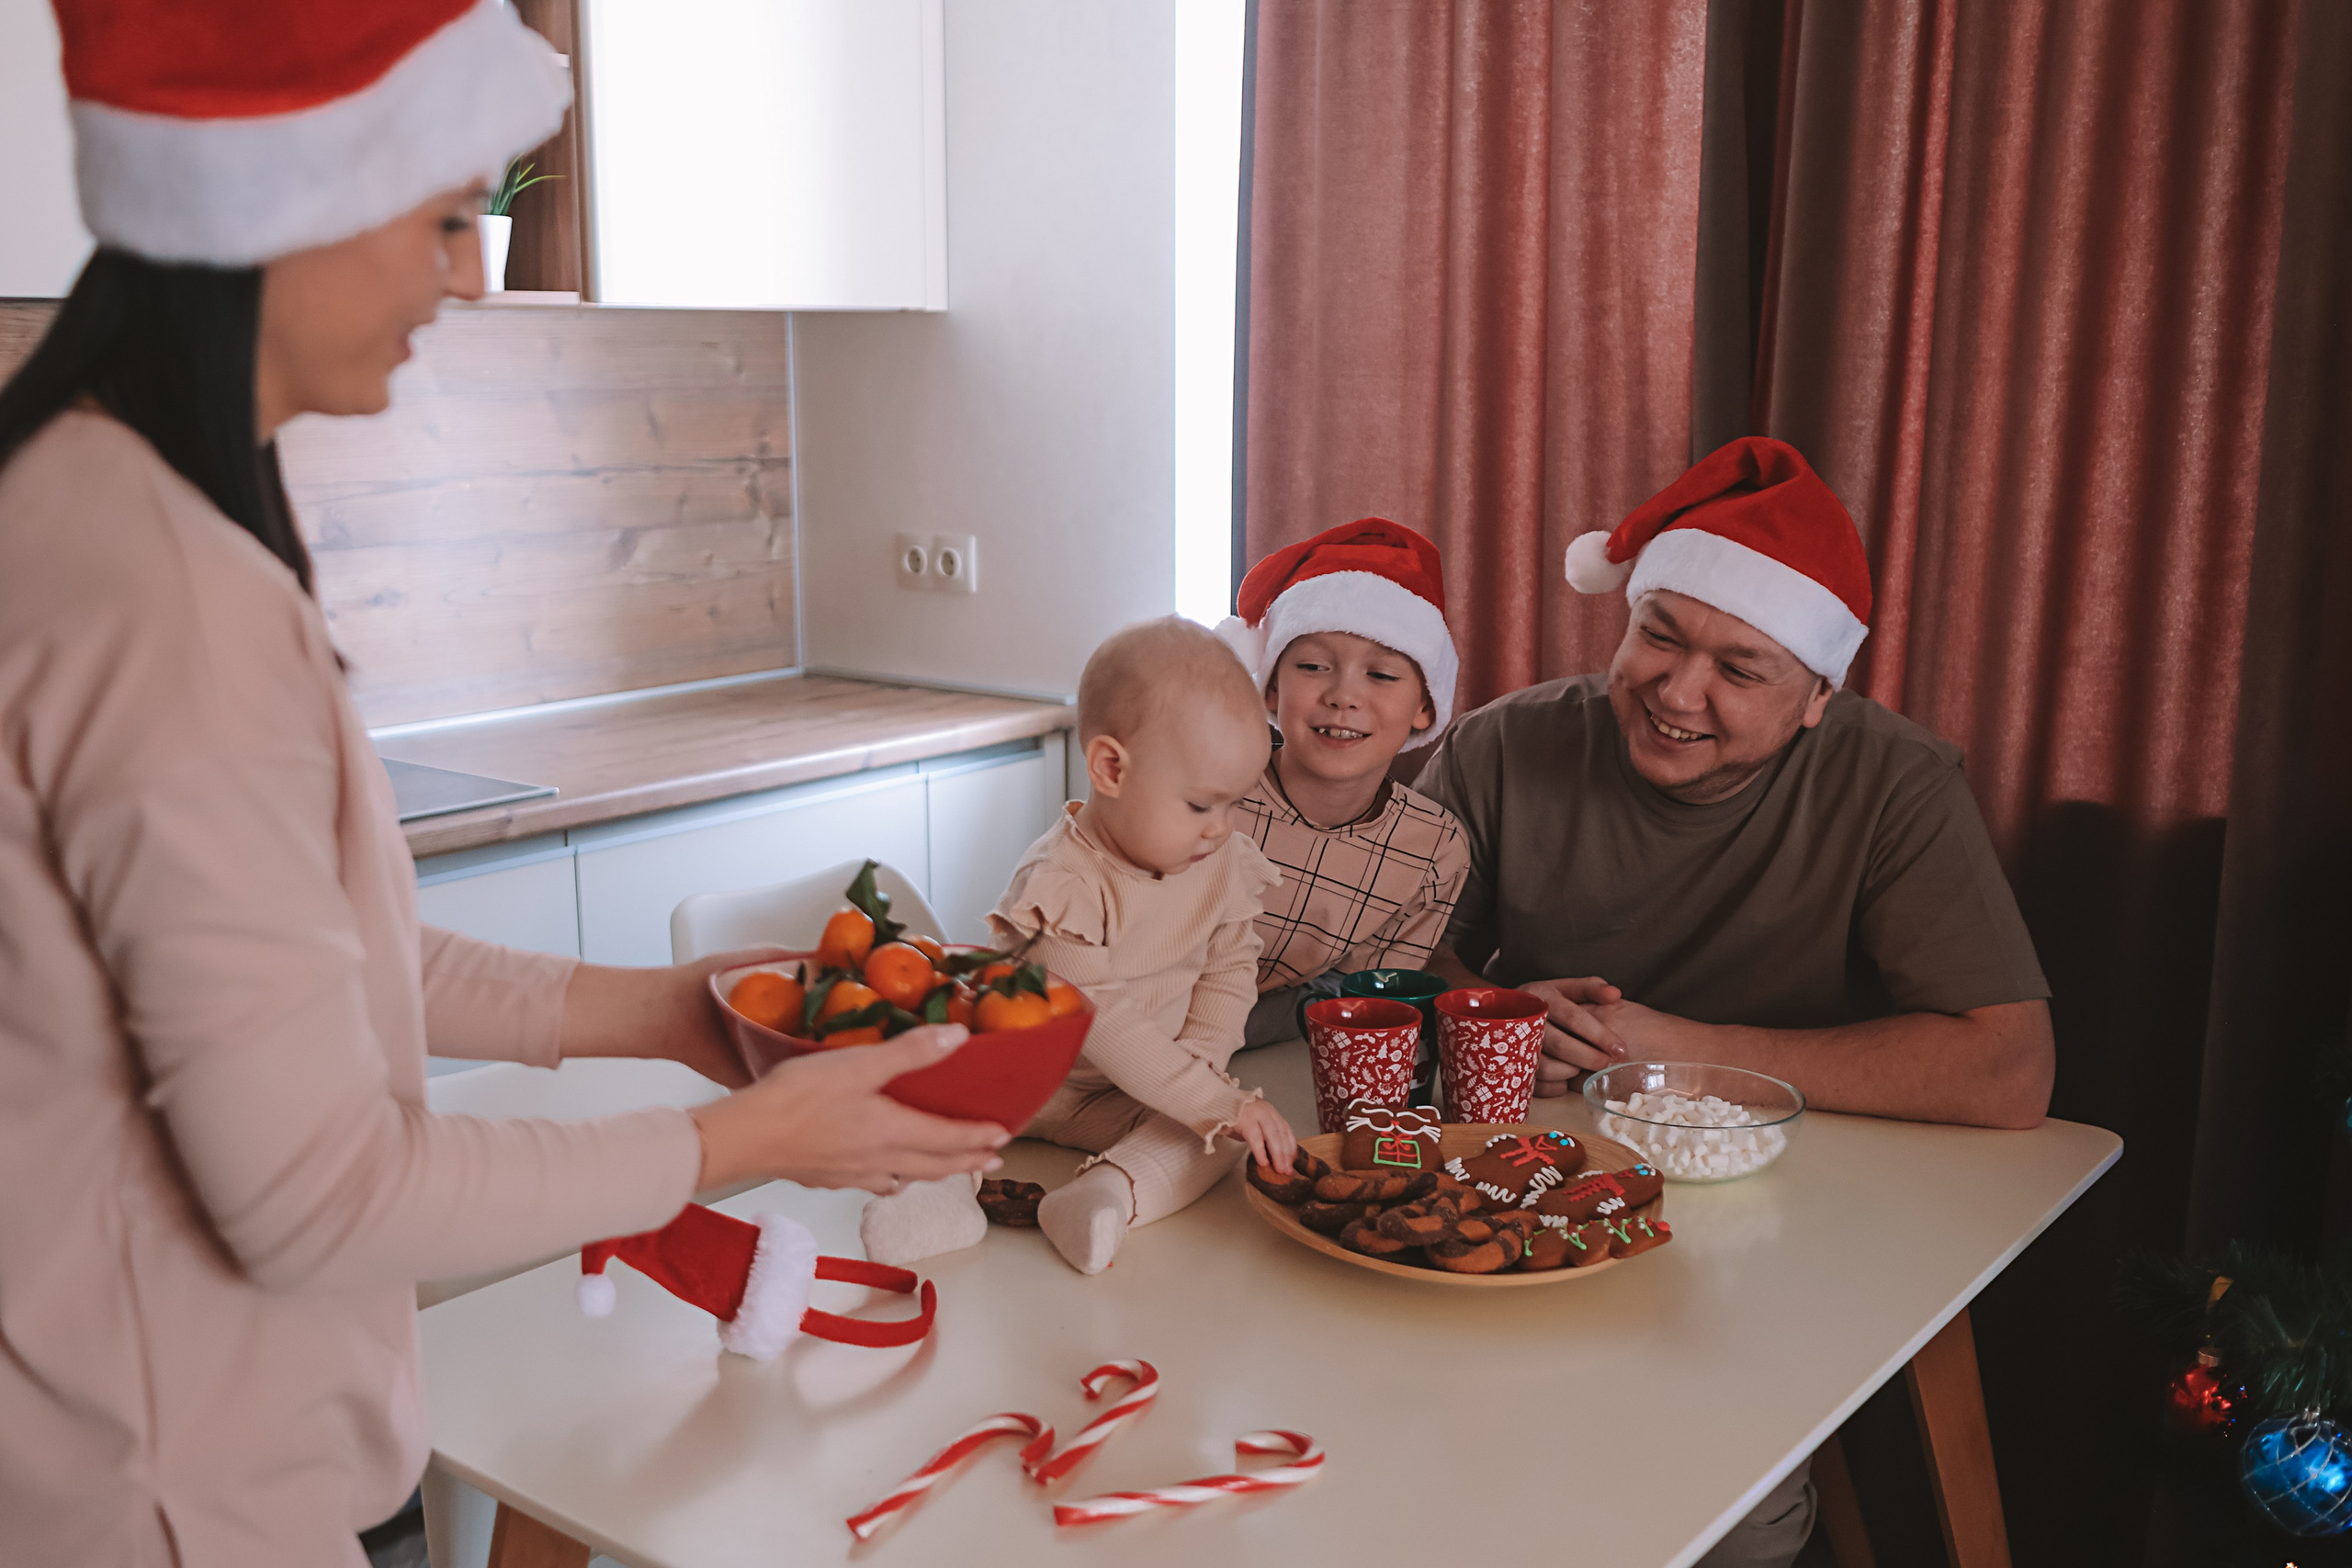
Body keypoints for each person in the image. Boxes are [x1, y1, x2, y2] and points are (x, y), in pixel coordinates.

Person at [0, 5, 1005, 1562]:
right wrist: (750, 1142)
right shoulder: (172, 596)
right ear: (281, 200)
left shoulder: (64, 492)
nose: (471, 271)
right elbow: (318, 1196)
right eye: (446, 212)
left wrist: (668, 1014)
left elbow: (344, 959)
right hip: (178, 1489)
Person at [1417, 434, 2055, 1566]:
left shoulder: (1897, 784)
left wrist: (1678, 1056)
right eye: (1657, 634)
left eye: (1738, 668)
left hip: (1794, 1222)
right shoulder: (1504, 744)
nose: (1676, 689)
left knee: (1721, 1508)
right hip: (1528, 1198)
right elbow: (1395, 955)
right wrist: (1496, 1011)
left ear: (1815, 695)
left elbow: (2007, 1070)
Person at [861, 618, 1293, 1275]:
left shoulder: (1223, 860)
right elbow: (1101, 1016)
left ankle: (1107, 1193)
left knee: (1225, 1138)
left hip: (1122, 1096)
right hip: (1016, 1085)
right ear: (1111, 767)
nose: (1221, 828)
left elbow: (1231, 966)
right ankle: (938, 1197)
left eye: (1234, 803)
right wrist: (1209, 1097)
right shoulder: (1062, 882)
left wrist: (1204, 1082)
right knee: (929, 1105)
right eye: (1202, 805)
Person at [1215, 519, 1471, 1047]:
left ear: (1426, 706)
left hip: (1279, 1060)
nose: (1343, 697)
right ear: (1269, 688)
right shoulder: (1207, 793)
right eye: (1312, 666)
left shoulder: (1434, 850)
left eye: (1381, 675)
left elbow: (1361, 1009)